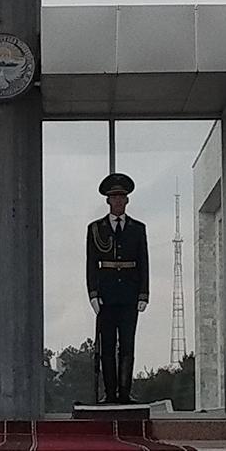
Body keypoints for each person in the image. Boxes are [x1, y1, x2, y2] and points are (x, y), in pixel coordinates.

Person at [86, 173, 149, 404]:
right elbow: (91, 263)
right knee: (107, 346)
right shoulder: (96, 229)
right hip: (106, 294)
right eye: (114, 197)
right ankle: (110, 393)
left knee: (127, 345)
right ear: (108, 201)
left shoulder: (137, 228)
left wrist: (144, 293)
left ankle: (124, 392)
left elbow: (143, 261)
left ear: (127, 200)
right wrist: (93, 294)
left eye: (122, 197)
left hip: (130, 294)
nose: (118, 201)